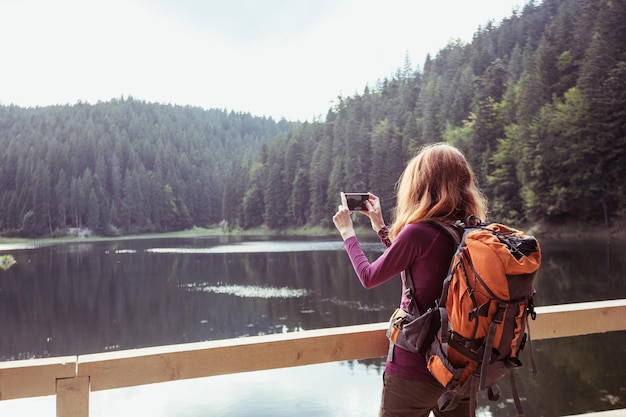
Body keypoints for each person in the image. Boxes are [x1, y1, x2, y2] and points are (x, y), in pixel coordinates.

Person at [332, 142, 488, 417]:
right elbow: (416, 261)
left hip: (414, 370)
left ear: (421, 185)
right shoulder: (473, 233)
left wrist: (348, 234)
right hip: (461, 368)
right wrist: (380, 226)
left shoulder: (418, 232)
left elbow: (369, 277)